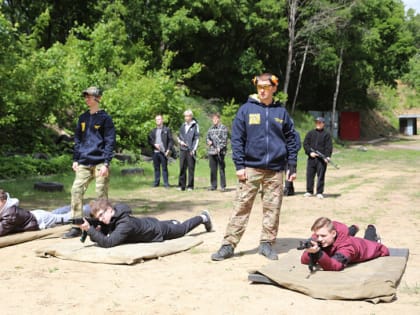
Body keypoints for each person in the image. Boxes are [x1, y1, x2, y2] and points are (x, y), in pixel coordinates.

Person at [211, 73, 298, 261]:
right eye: (260, 86)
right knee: (241, 206)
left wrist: (292, 165)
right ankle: (228, 245)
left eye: (267, 86)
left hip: (275, 170)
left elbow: (292, 139)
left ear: (274, 88)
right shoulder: (246, 110)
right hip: (250, 167)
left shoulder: (281, 113)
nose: (263, 90)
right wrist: (239, 165)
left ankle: (267, 244)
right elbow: (237, 139)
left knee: (272, 209)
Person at [63, 86, 116, 239]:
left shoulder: (106, 118)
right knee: (75, 190)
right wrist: (75, 159)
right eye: (85, 96)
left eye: (89, 96)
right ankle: (76, 226)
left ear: (97, 98)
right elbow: (78, 140)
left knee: (101, 195)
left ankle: (104, 226)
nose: (86, 99)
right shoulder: (82, 118)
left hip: (100, 163)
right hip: (84, 162)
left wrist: (106, 163)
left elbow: (109, 141)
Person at [78, 198, 213, 248]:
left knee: (182, 229)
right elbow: (99, 237)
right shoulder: (113, 217)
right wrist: (94, 229)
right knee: (173, 224)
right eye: (98, 217)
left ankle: (203, 217)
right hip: (147, 223)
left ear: (109, 209)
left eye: (102, 215)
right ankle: (173, 222)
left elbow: (108, 242)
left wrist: (89, 229)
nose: (101, 219)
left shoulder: (125, 224)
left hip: (157, 231)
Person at [301, 217, 389, 271]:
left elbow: (335, 266)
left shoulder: (347, 247)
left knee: (370, 240)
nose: (319, 239)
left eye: (323, 236)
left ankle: (371, 228)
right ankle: (354, 228)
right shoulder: (322, 237)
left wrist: (318, 253)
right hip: (345, 240)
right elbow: (304, 261)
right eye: (317, 235)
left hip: (365, 247)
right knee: (346, 234)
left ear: (333, 233)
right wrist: (310, 252)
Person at [0, 189, 90, 236]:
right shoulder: (8, 209)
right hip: (38, 215)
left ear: (3, 201)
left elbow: (1, 230)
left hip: (41, 220)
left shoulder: (10, 214)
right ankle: (73, 206)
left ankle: (90, 208)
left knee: (67, 218)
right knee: (56, 214)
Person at [303, 117, 333, 199]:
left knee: (321, 176)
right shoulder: (310, 133)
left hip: (321, 159)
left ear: (323, 124)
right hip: (312, 158)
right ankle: (309, 191)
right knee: (309, 175)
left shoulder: (326, 134)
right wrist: (310, 152)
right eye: (317, 122)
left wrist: (327, 156)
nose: (318, 124)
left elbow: (329, 147)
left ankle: (319, 192)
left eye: (320, 123)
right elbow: (306, 144)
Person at [148, 114, 174, 188]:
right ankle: (156, 182)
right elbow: (149, 140)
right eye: (156, 120)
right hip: (155, 152)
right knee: (156, 168)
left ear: (162, 120)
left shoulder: (167, 130)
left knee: (164, 168)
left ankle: (166, 183)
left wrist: (168, 149)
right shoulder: (153, 131)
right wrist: (154, 144)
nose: (158, 121)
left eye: (159, 119)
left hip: (164, 152)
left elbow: (171, 141)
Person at [177, 109, 199, 191]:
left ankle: (190, 186)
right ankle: (181, 185)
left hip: (191, 150)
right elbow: (179, 136)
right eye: (185, 116)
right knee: (182, 167)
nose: (186, 118)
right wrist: (180, 142)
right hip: (183, 149)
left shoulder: (195, 125)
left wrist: (193, 149)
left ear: (191, 117)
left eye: (187, 116)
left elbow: (196, 138)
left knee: (191, 168)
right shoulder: (183, 126)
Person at [206, 113, 228, 192]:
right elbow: (207, 137)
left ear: (219, 119)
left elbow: (224, 140)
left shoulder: (223, 128)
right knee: (213, 169)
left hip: (220, 152)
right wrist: (208, 142)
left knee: (221, 169)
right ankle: (213, 185)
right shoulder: (210, 128)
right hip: (212, 152)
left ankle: (223, 186)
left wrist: (220, 148)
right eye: (213, 119)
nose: (214, 120)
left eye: (216, 119)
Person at [283, 127, 301, 196]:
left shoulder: (296, 134)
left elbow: (298, 146)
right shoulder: (284, 133)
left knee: (290, 172)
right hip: (284, 156)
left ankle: (287, 189)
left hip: (292, 156)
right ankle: (290, 189)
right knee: (287, 172)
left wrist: (292, 152)